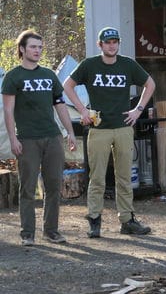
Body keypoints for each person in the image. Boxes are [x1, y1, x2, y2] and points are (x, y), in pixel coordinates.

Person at [63, 27, 156, 238]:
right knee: (97, 178)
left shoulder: (127, 64)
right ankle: (94, 220)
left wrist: (138, 109)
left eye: (115, 42)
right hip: (98, 129)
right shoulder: (89, 65)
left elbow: (150, 84)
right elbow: (67, 85)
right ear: (100, 45)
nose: (112, 45)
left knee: (124, 177)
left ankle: (127, 220)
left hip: (123, 127)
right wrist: (83, 110)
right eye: (108, 42)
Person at [2, 30, 87, 246]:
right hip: (28, 139)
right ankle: (27, 233)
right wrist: (13, 139)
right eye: (33, 47)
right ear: (22, 49)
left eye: (40, 47)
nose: (37, 51)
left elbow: (60, 105)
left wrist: (69, 132)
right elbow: (9, 112)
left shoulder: (49, 75)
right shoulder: (13, 77)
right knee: (28, 188)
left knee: (53, 186)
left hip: (52, 137)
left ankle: (51, 231)